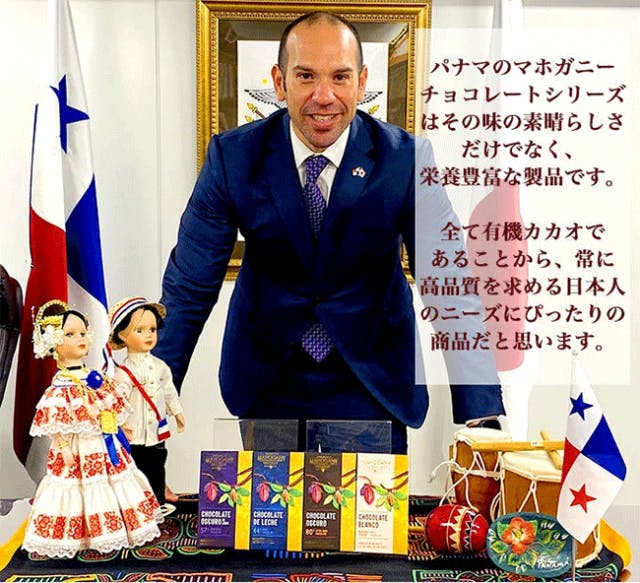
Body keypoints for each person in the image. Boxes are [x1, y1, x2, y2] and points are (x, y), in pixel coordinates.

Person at [154, 11, 504, 453]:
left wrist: (481, 413)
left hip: (371, 385)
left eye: (340, 77)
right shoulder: (233, 157)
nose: (324, 96)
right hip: (269, 384)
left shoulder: (406, 160)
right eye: (306, 76)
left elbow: (448, 283)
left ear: (361, 82)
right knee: (268, 501)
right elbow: (189, 286)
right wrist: (147, 396)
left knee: (371, 504)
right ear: (279, 82)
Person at [22, 300, 162, 558]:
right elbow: (57, 420)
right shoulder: (61, 386)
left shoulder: (94, 377)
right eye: (71, 334)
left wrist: (120, 426)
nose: (80, 338)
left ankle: (114, 529)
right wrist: (63, 446)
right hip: (78, 449)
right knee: (77, 488)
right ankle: (80, 536)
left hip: (104, 443)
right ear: (55, 342)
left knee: (113, 481)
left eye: (83, 333)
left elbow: (108, 404)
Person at [109, 296, 186, 516]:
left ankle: (157, 501)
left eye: (152, 329)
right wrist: (120, 425)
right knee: (135, 467)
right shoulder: (123, 373)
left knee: (157, 464)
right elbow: (118, 402)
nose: (149, 335)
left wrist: (178, 413)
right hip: (134, 431)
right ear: (122, 335)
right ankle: (137, 507)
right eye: (140, 330)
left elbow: (169, 391)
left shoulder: (160, 366)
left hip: (156, 429)